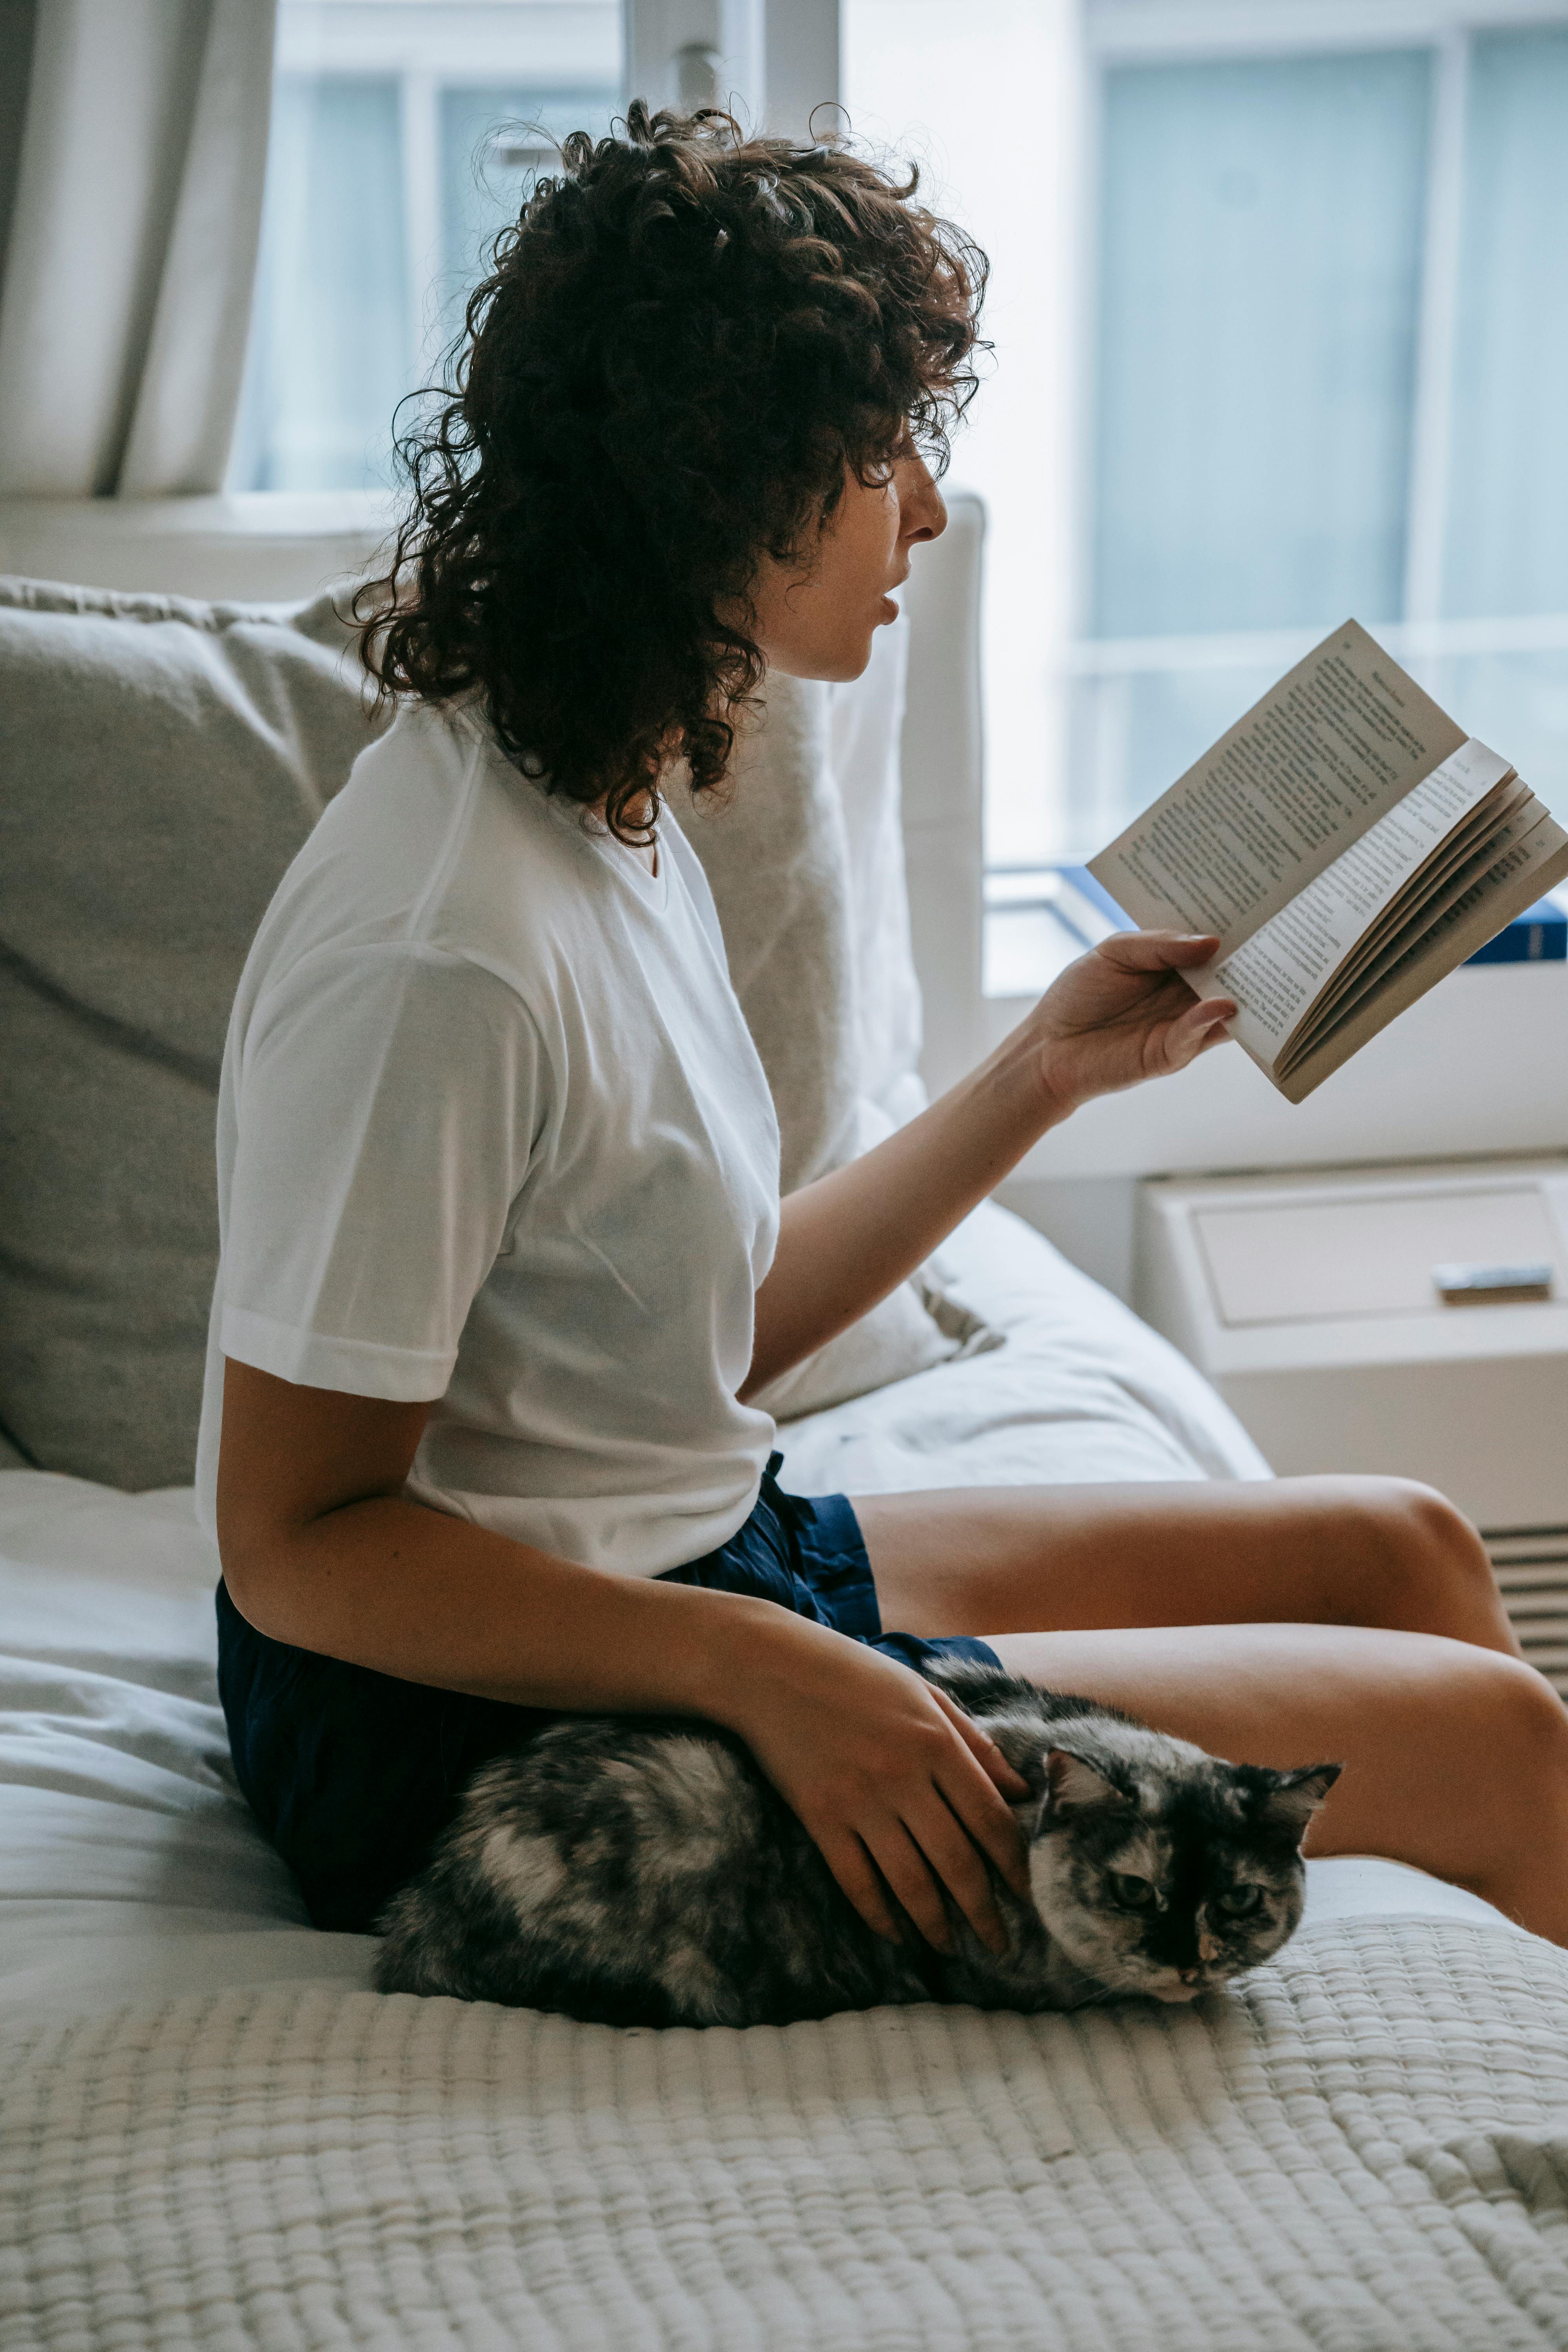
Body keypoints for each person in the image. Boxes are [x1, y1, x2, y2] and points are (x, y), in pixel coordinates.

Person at [205, 106, 1568, 1964]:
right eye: (878, 453)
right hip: (493, 1733)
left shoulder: (597, 795)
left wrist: (1043, 1079)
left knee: (1402, 1547)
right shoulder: (443, 942)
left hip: (670, 1567)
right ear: (715, 483)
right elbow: (299, 1540)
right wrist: (766, 1673)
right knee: (1512, 1747)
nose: (921, 505)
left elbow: (684, 1331)